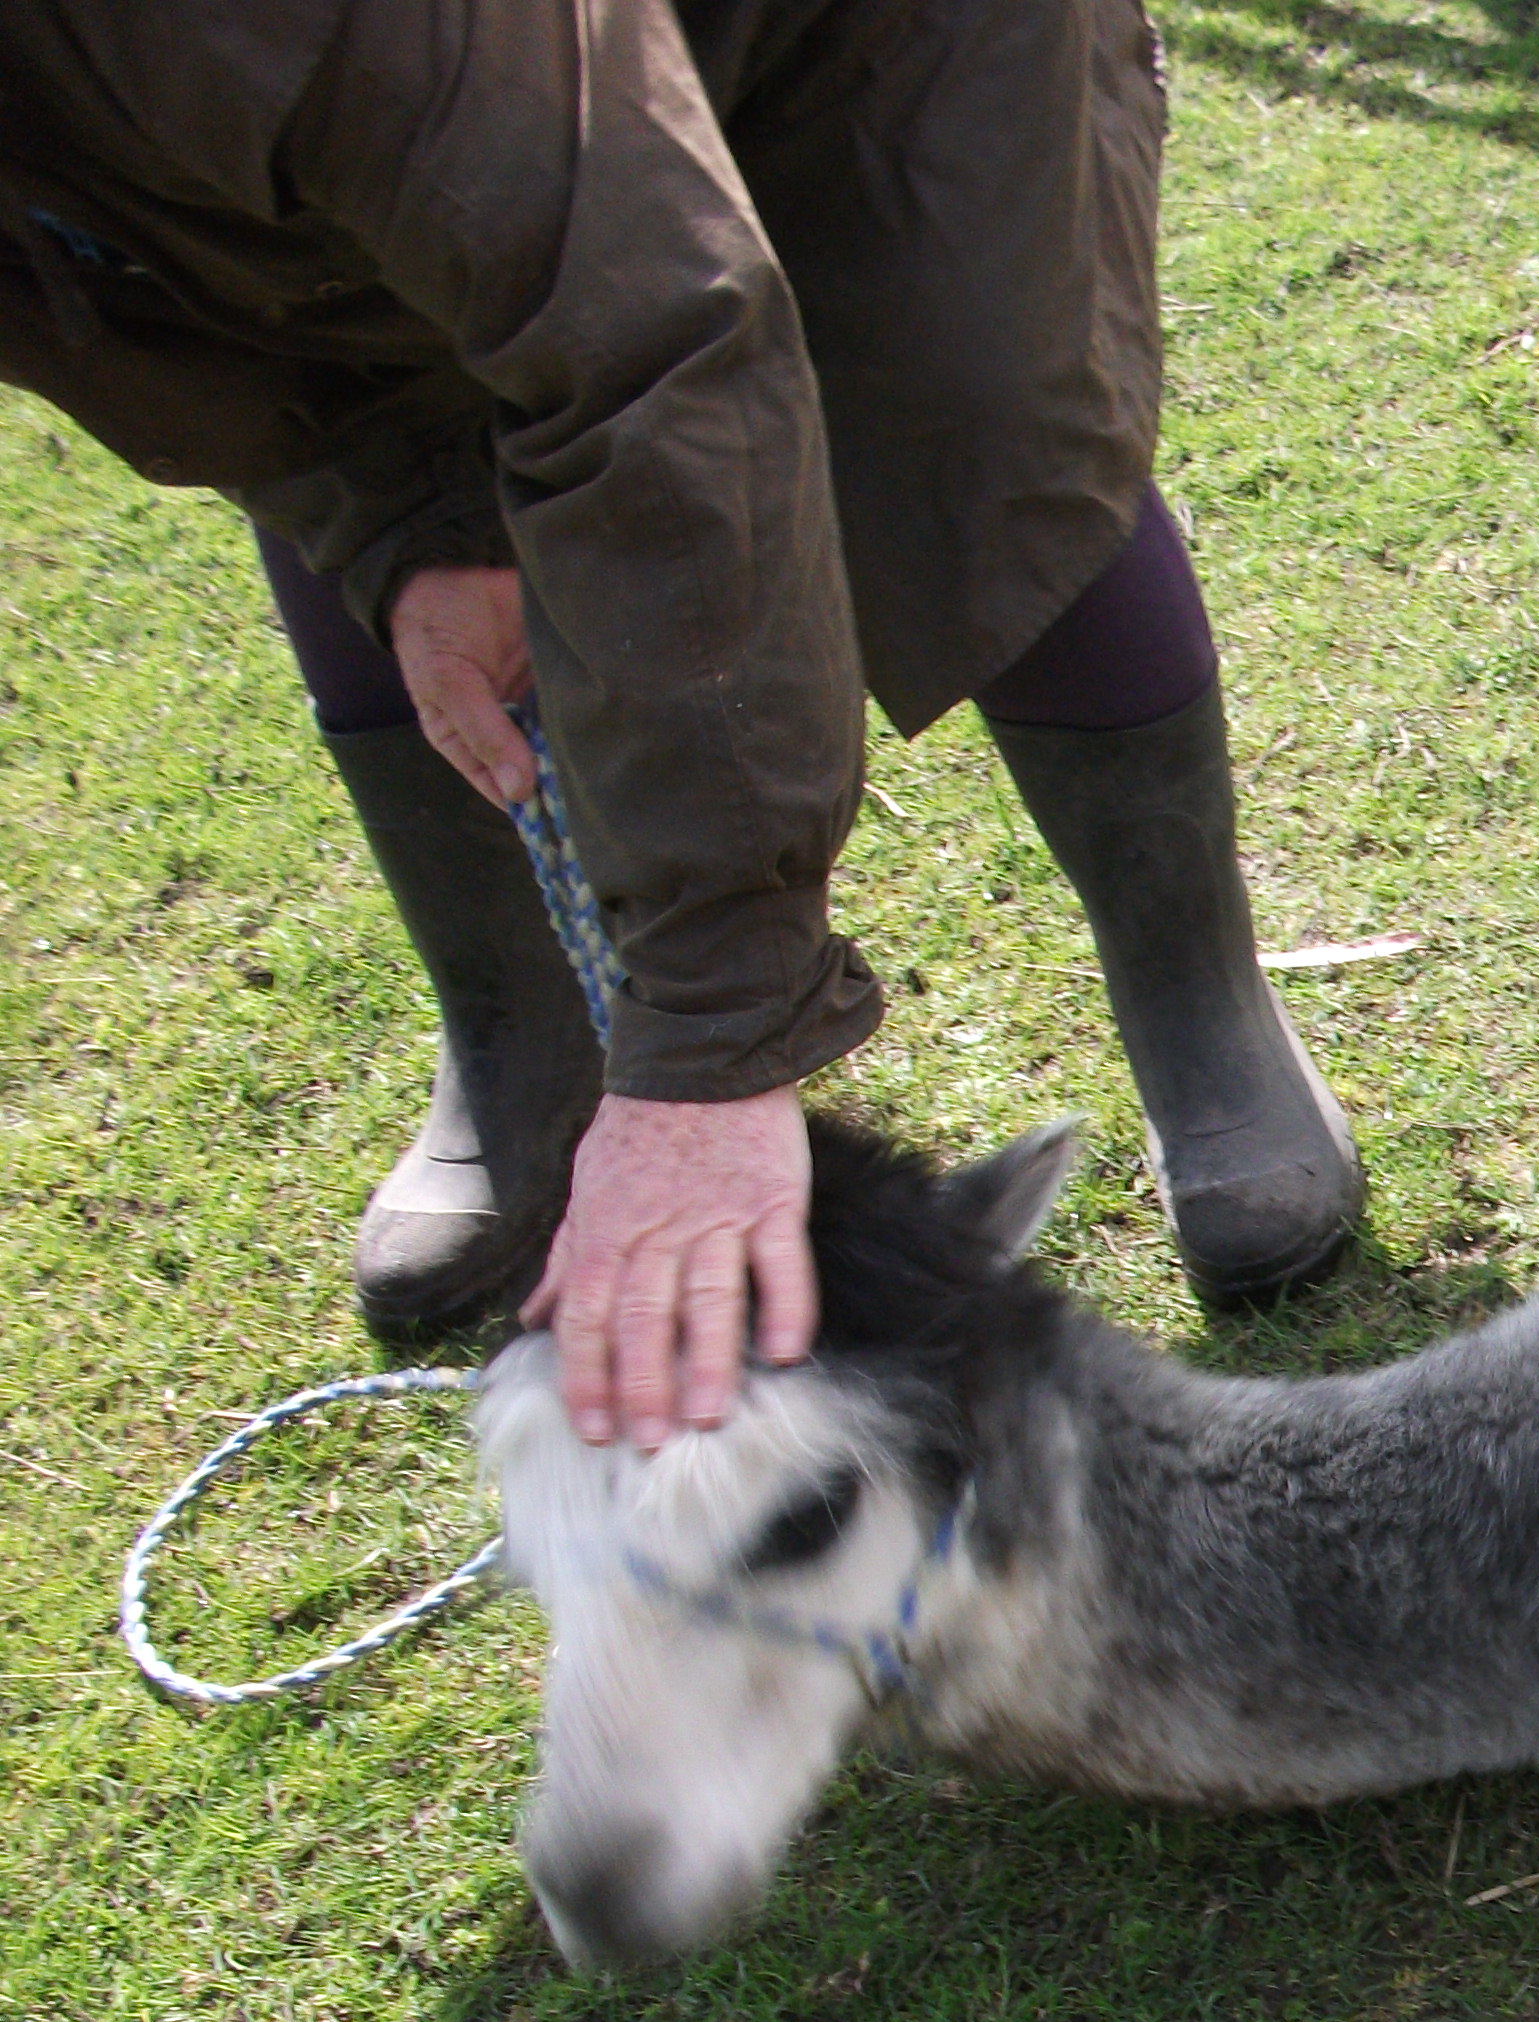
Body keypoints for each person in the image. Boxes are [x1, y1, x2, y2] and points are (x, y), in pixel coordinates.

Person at [0, 0, 1361, 1451]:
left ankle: (1194, 997)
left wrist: (715, 1039)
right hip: (355, 125)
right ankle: (521, 1047)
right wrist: (404, 523)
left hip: (819, 35)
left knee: (975, 395)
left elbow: (654, 340)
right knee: (331, 367)